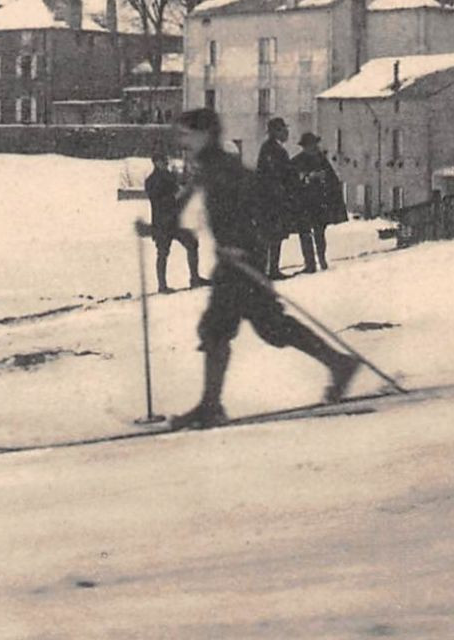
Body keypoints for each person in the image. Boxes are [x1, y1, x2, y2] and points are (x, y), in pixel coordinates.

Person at [151, 109, 358, 431]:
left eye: (187, 134)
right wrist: (156, 229)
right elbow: (185, 206)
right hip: (234, 261)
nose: (182, 140)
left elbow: (257, 206)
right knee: (262, 327)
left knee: (229, 329)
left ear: (205, 134)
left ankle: (211, 406)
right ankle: (338, 363)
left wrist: (242, 246)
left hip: (242, 260)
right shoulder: (208, 166)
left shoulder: (225, 168)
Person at [143, 150, 206, 293]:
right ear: (155, 163)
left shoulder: (168, 176)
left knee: (192, 244)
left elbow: (179, 190)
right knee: (163, 253)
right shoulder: (152, 180)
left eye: (165, 161)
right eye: (162, 161)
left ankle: (194, 279)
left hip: (174, 221)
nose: (165, 163)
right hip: (162, 222)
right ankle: (162, 286)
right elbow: (160, 199)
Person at [291, 132, 348, 273]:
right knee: (305, 233)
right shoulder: (297, 161)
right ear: (304, 146)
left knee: (320, 232)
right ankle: (310, 263)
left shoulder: (321, 160)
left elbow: (332, 180)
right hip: (304, 203)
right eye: (310, 145)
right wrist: (308, 177)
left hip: (319, 203)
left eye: (315, 144)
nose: (313, 147)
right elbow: (292, 181)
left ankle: (321, 259)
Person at [254, 116, 299, 279]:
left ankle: (271, 268)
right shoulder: (271, 150)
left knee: (275, 235)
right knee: (270, 235)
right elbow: (273, 176)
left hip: (274, 199)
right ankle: (269, 270)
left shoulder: (273, 149)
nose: (286, 132)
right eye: (282, 129)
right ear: (274, 132)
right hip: (271, 200)